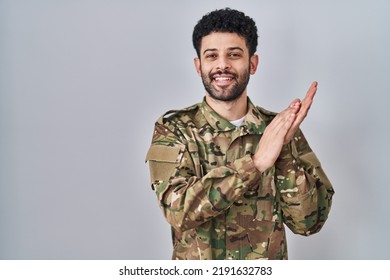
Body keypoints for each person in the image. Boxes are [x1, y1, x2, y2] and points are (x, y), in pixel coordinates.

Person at [146, 8, 334, 260]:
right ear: (198, 65)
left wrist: (284, 153)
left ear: (252, 63)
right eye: (211, 56)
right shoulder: (174, 129)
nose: (222, 64)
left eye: (234, 55)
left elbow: (309, 223)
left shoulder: (280, 130)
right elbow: (178, 211)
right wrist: (255, 164)